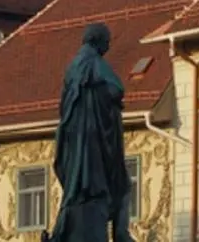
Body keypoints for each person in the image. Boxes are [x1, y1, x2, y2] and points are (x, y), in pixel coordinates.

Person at [44, 23, 133, 242]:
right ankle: (121, 234)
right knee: (122, 185)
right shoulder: (93, 62)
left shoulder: (73, 67)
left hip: (76, 143)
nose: (109, 46)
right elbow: (116, 88)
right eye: (107, 41)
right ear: (97, 40)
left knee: (108, 187)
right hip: (94, 143)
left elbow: (64, 106)